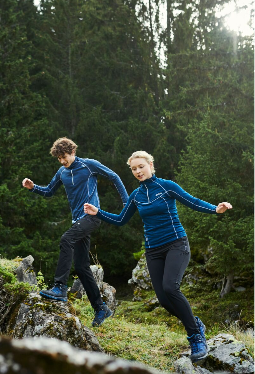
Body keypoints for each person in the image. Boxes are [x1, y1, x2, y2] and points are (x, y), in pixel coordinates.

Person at [84, 150, 232, 361]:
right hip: (153, 250)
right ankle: (195, 322)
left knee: (171, 288)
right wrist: (97, 212)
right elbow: (120, 220)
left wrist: (215, 209)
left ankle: (196, 336)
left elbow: (193, 201)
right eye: (134, 169)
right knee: (163, 299)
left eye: (141, 167)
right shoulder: (136, 196)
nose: (137, 171)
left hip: (176, 244)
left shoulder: (167, 186)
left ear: (151, 166)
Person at [22, 137, 128, 327]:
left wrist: (126, 201)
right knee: (81, 267)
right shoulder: (62, 172)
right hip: (77, 220)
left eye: (64, 157)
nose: (62, 161)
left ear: (72, 152)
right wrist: (33, 188)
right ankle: (101, 308)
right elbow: (48, 191)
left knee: (66, 239)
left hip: (93, 216)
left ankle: (60, 287)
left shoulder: (89, 165)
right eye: (59, 158)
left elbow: (114, 177)